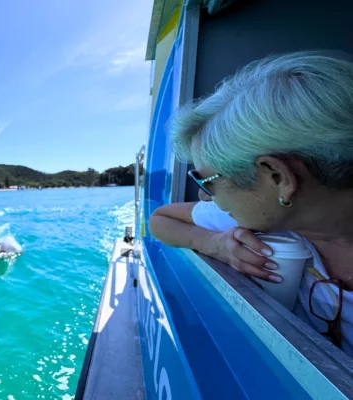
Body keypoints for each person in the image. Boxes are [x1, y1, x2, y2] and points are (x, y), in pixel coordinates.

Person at [149, 51, 353, 355]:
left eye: (208, 181)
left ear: (277, 176)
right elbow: (160, 220)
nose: (205, 195)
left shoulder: (269, 218)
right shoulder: (271, 221)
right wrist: (214, 244)